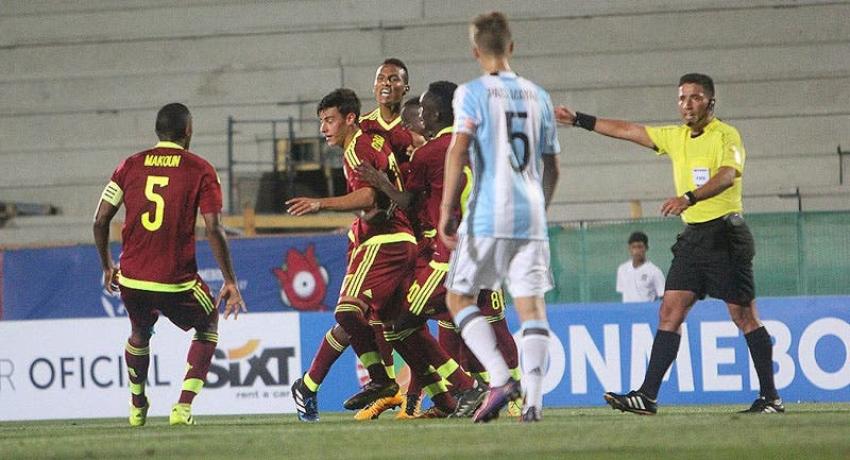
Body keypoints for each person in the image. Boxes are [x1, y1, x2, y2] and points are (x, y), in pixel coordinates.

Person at [555, 73, 783, 414]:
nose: (686, 104)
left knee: (743, 315)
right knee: (670, 311)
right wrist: (579, 120)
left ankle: (771, 398)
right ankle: (647, 396)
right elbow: (628, 130)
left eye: (694, 97)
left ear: (710, 102)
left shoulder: (726, 135)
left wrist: (689, 197)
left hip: (725, 236)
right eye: (682, 98)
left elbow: (727, 175)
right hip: (693, 239)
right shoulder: (675, 137)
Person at [439, 11, 561, 423]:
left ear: (476, 51)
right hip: (531, 215)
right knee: (532, 308)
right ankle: (534, 403)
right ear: (511, 47)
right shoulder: (539, 96)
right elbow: (553, 167)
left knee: (458, 297)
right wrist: (539, 211)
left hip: (489, 212)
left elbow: (458, 150)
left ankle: (497, 377)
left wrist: (445, 210)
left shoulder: (471, 93)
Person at [92, 102, 246, 427]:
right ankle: (183, 408)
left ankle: (137, 407)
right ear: (188, 131)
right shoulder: (201, 169)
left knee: (138, 332)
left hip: (131, 277)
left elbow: (100, 220)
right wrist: (229, 280)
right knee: (207, 325)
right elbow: (214, 228)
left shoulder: (129, 165)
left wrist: (107, 265)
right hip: (175, 280)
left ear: (157, 131)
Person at [286, 88, 419, 421]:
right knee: (373, 322)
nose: (324, 128)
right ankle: (309, 385)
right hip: (404, 240)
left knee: (348, 311)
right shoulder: (373, 140)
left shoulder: (357, 146)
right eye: (321, 122)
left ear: (349, 118)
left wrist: (321, 203)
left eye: (329, 120)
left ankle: (383, 382)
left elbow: (368, 197)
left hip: (384, 242)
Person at [359, 58, 414, 162]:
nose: (386, 83)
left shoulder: (415, 124)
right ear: (374, 87)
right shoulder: (362, 124)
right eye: (380, 78)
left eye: (393, 79)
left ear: (406, 88)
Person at [616, 231, 665, 303]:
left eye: (640, 247)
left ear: (646, 248)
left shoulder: (654, 271)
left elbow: (663, 296)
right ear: (629, 248)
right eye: (634, 247)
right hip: (627, 312)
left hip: (645, 312)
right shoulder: (622, 269)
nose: (636, 251)